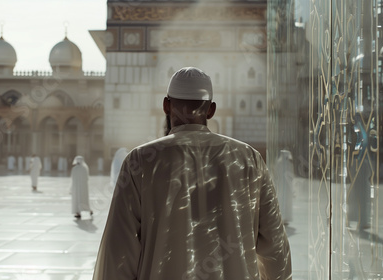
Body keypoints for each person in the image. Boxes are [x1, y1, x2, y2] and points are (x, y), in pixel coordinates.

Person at [93, 67, 292, 280]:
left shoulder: (140, 161)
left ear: (166, 106)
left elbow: (119, 252)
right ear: (211, 110)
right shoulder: (248, 160)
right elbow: (275, 248)